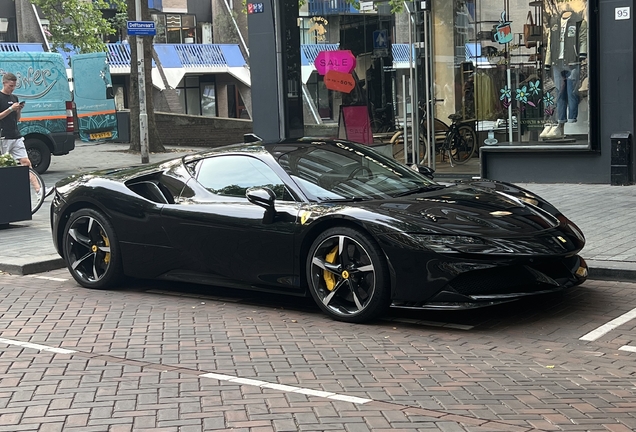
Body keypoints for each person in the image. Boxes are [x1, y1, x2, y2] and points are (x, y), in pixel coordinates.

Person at [0, 72, 43, 195]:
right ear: (4, 83)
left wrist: (18, 110)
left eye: (14, 86)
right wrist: (10, 109)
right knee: (5, 165)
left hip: (16, 135)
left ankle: (39, 190)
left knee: (26, 162)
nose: (12, 88)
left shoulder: (14, 98)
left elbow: (17, 118)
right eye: (10, 86)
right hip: (4, 137)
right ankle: (6, 192)